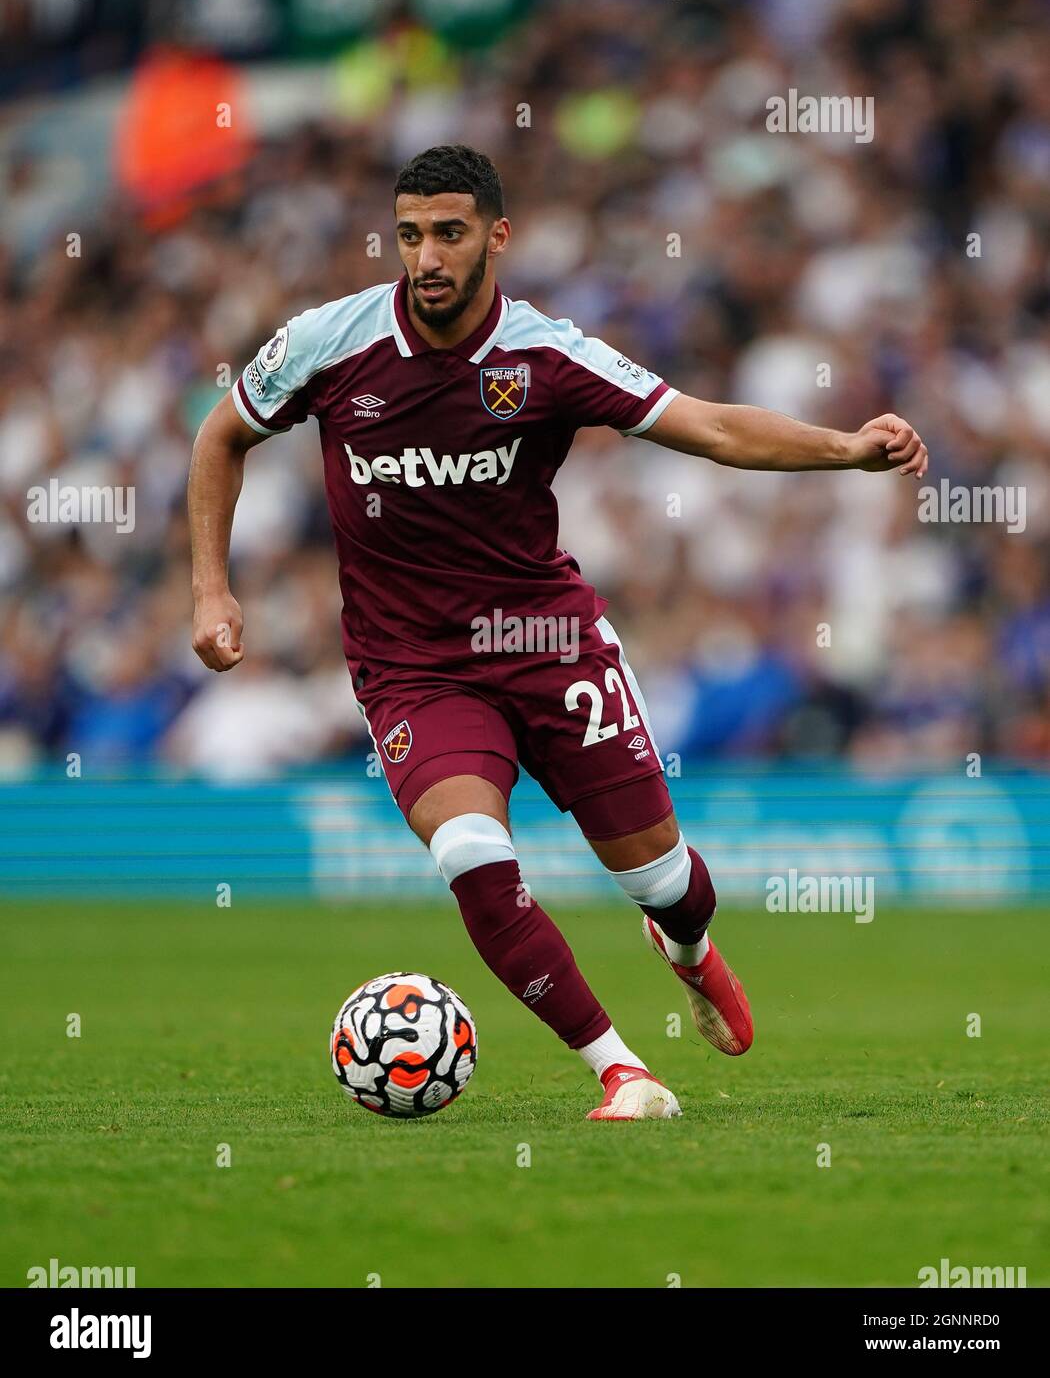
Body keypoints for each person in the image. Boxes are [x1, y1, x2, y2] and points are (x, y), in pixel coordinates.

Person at [188, 144, 928, 1120]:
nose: (427, 257)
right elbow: (221, 436)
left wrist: (845, 450)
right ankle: (623, 1069)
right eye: (410, 235)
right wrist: (211, 589)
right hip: (415, 671)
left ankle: (688, 947)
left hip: (549, 646)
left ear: (496, 236)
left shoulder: (548, 354)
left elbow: (704, 425)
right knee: (470, 855)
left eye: (449, 233)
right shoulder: (329, 342)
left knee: (663, 879)